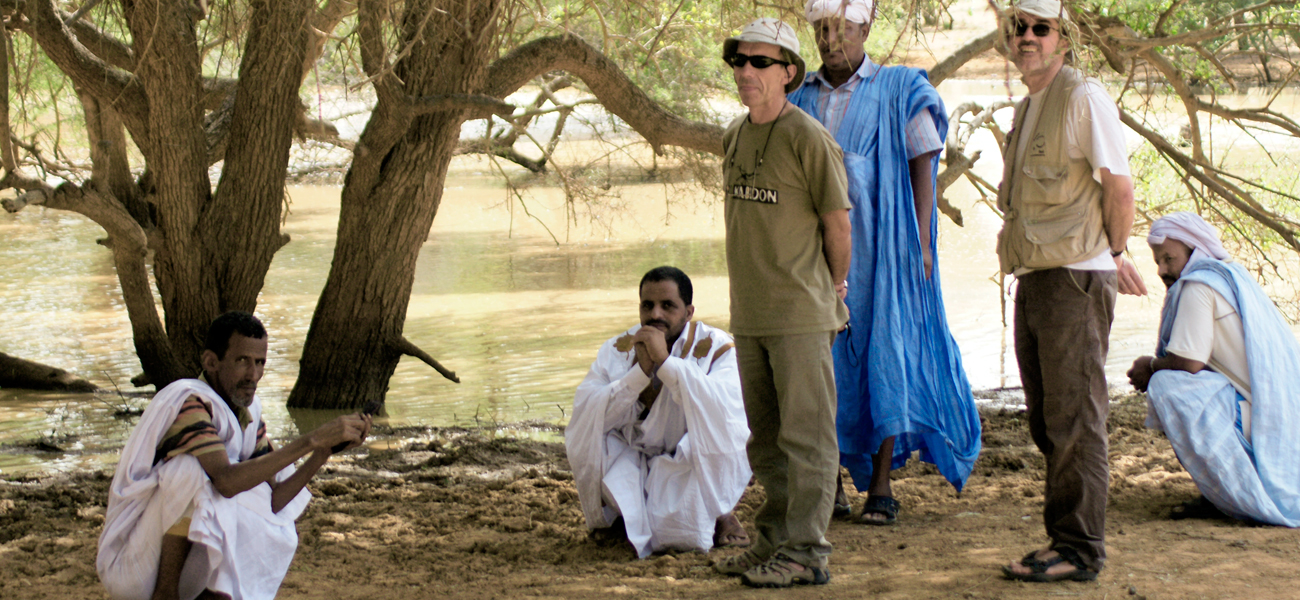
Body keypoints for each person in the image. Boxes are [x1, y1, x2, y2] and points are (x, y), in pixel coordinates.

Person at [789, 0, 982, 525]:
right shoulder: (798, 96)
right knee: (819, 364)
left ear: (866, 27)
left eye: (841, 30)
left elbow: (923, 162)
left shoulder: (899, 90)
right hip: (814, 255)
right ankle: (828, 482)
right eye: (822, 31)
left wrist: (922, 240)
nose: (831, 42)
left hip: (884, 250)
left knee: (884, 360)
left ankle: (880, 484)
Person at [993, 0, 1149, 583]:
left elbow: (1121, 187)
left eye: (1040, 28)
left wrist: (1112, 254)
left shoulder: (1084, 98)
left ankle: (1081, 549)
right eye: (1019, 27)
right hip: (1037, 278)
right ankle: (1062, 539)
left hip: (1076, 277)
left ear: (1064, 37)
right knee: (1046, 420)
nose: (1027, 37)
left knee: (1076, 419)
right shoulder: (1029, 105)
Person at [709, 18, 851, 588]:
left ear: (789, 72)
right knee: (766, 440)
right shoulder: (734, 135)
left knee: (808, 439)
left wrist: (832, 288)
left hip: (801, 314)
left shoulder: (809, 138)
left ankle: (808, 553)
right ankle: (774, 540)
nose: (746, 71)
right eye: (739, 61)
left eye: (759, 62)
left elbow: (838, 225)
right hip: (751, 314)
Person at [97, 311, 373, 600]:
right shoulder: (191, 401)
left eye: (260, 363)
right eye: (243, 361)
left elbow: (275, 501)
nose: (253, 375)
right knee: (190, 470)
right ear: (211, 362)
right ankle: (165, 594)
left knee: (257, 503)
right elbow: (226, 482)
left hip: (187, 575)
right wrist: (311, 438)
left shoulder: (247, 415)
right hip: (133, 569)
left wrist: (322, 452)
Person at [1127, 212, 1300, 527]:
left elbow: (1188, 362)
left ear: (1194, 251)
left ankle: (1228, 495)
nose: (1162, 269)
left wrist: (1149, 367)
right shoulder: (1227, 274)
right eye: (1158, 260)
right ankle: (1220, 492)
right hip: (1275, 411)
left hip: (1259, 416)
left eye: (1169, 258)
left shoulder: (1198, 286)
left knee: (1168, 387)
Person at [566, 266, 752, 558]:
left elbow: (728, 415)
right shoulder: (617, 349)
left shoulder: (717, 347)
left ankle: (721, 511)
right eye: (647, 305)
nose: (655, 315)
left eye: (668, 306)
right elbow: (587, 412)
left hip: (688, 458)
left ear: (689, 312)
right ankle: (624, 514)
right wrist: (639, 374)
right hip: (634, 455)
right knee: (588, 429)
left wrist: (666, 364)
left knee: (681, 535)